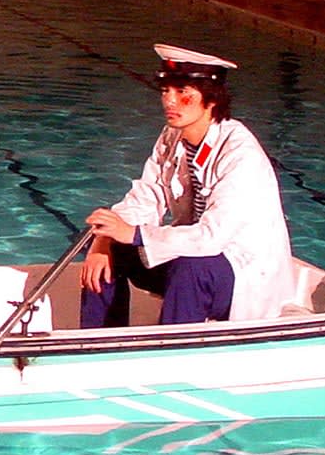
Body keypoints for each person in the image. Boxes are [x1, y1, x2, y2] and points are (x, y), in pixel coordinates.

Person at [79, 45, 295, 328]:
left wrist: (134, 234)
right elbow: (148, 195)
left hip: (242, 274)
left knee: (190, 269)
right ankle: (100, 346)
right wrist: (105, 239)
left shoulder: (240, 154)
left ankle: (169, 354)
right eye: (166, 91)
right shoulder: (173, 135)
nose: (171, 102)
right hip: (196, 257)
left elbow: (211, 237)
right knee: (112, 253)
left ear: (212, 99)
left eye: (183, 93)